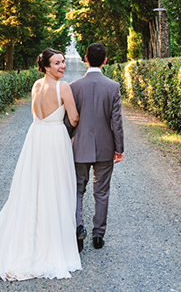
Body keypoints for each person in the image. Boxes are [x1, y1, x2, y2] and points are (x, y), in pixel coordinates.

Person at [0, 48, 82, 280]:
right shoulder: (63, 87)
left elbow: (35, 113)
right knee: (55, 187)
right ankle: (53, 244)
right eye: (57, 63)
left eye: (63, 62)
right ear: (46, 66)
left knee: (33, 187)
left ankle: (28, 239)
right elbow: (74, 118)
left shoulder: (36, 85)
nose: (62, 66)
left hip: (36, 138)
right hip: (55, 138)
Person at [68, 42, 124, 251]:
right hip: (105, 148)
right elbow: (116, 122)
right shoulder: (113, 87)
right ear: (105, 61)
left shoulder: (74, 87)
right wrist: (119, 149)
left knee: (77, 189)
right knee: (102, 192)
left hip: (80, 146)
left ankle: (78, 228)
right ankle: (98, 235)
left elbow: (70, 120)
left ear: (86, 59)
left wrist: (66, 141)